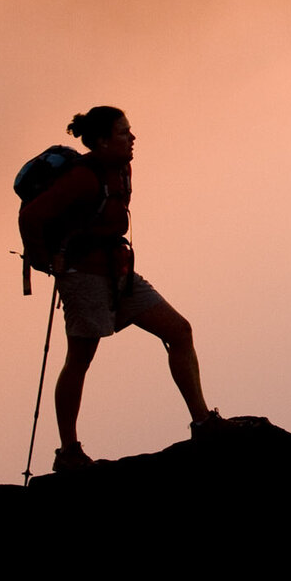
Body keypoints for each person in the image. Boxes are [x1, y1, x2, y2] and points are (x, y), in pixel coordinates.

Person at [19, 106, 226, 471]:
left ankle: (203, 421)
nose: (132, 139)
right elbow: (32, 215)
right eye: (123, 132)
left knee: (179, 331)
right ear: (101, 141)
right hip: (84, 276)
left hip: (118, 272)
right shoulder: (83, 178)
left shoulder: (121, 169)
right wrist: (46, 262)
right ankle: (68, 452)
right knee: (80, 360)